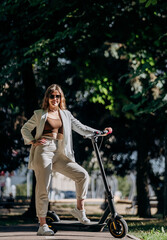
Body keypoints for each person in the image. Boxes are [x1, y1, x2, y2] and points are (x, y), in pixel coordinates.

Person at [21, 84, 112, 236]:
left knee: (82, 175)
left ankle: (79, 210)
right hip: (44, 151)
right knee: (43, 188)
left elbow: (81, 127)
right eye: (52, 96)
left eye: (57, 96)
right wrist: (32, 141)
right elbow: (25, 129)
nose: (55, 99)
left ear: (61, 98)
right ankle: (42, 225)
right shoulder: (39, 114)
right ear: (47, 98)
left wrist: (99, 132)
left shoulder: (66, 115)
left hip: (61, 152)